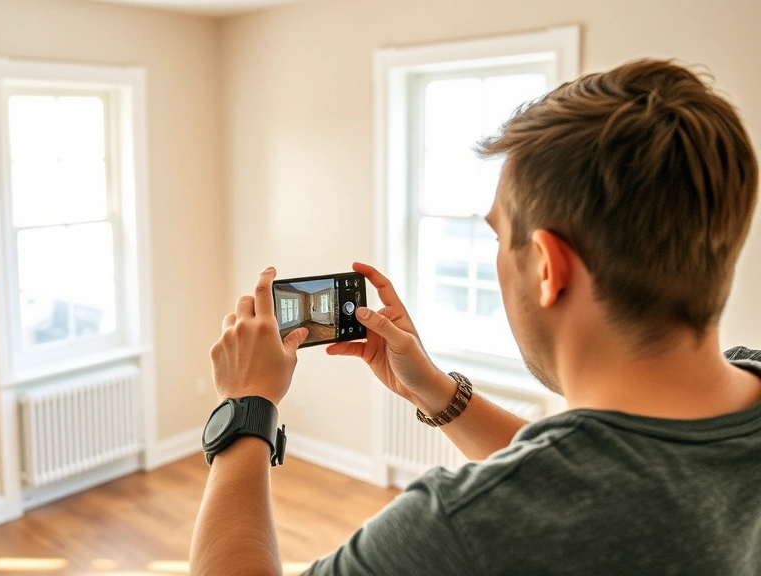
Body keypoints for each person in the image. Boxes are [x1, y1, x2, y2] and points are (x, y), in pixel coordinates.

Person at [189, 58, 761, 575]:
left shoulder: (461, 527)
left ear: (546, 267)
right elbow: (585, 476)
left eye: (499, 234)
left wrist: (246, 407)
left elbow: (557, 486)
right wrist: (435, 390)